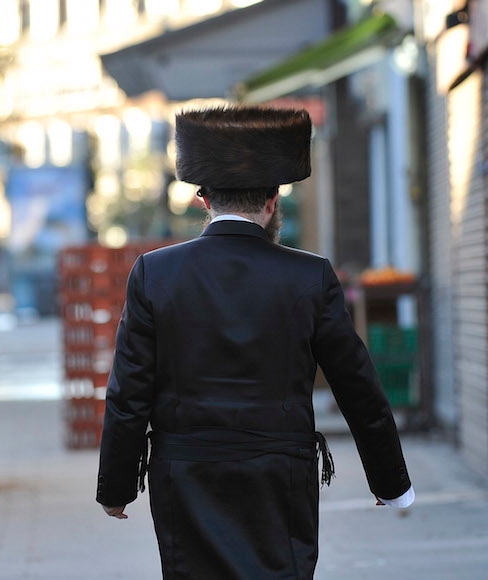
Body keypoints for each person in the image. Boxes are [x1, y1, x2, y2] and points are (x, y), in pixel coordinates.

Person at [96, 106, 414, 579]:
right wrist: (391, 483)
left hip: (186, 475)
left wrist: (116, 485)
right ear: (272, 202)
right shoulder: (310, 276)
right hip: (279, 476)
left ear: (204, 201)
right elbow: (357, 386)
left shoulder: (155, 274)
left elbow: (128, 392)